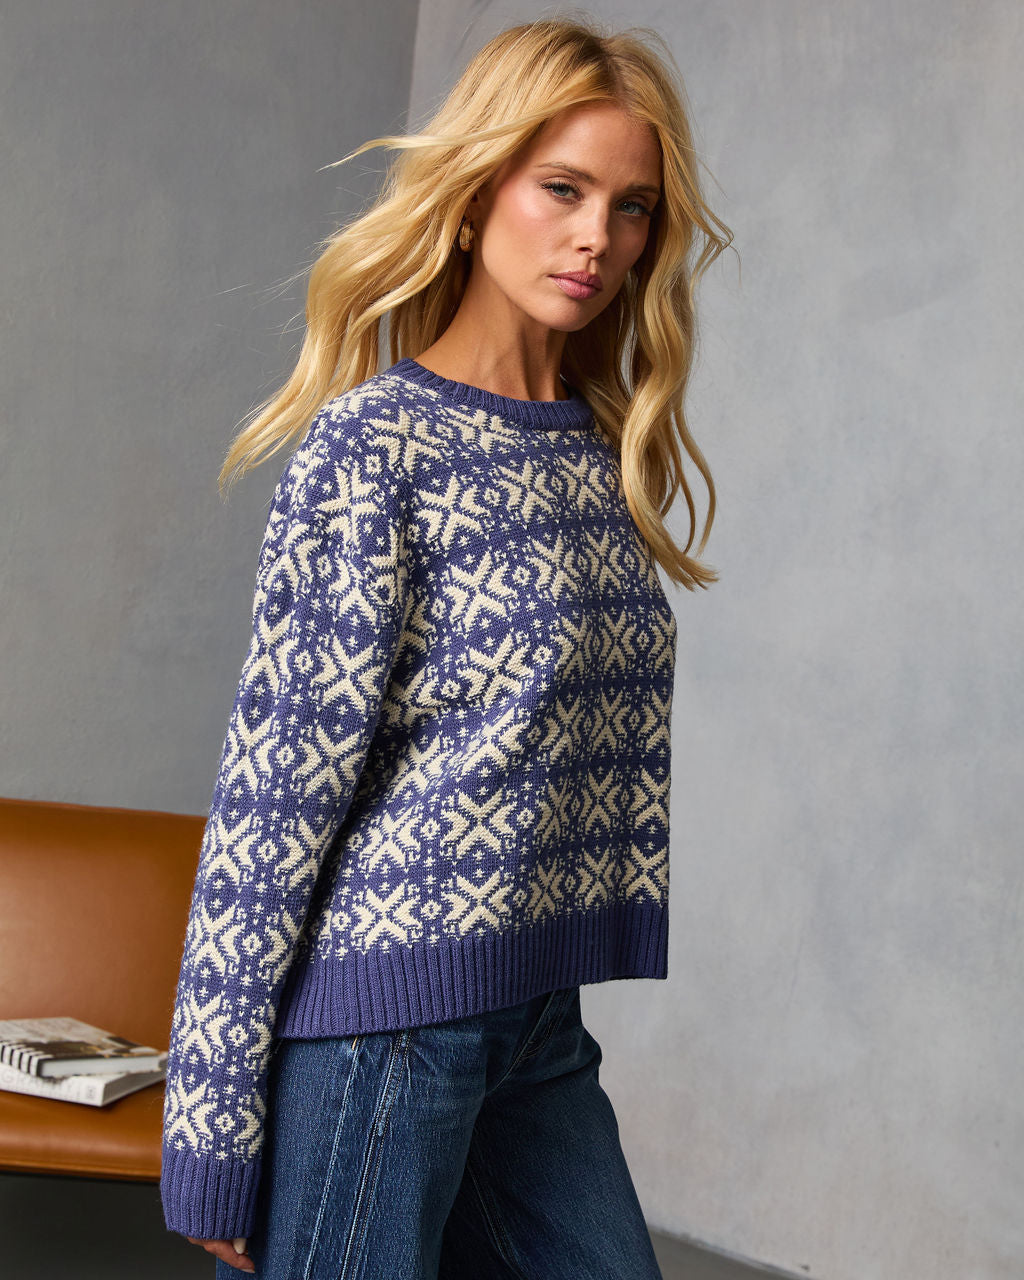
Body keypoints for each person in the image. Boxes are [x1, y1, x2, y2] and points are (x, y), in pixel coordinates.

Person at [159, 14, 732, 1279]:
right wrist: (209, 1121)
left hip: (535, 1022)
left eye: (631, 206)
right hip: (389, 1032)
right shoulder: (373, 451)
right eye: (561, 189)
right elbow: (271, 806)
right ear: (476, 197)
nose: (597, 237)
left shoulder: (596, 449)